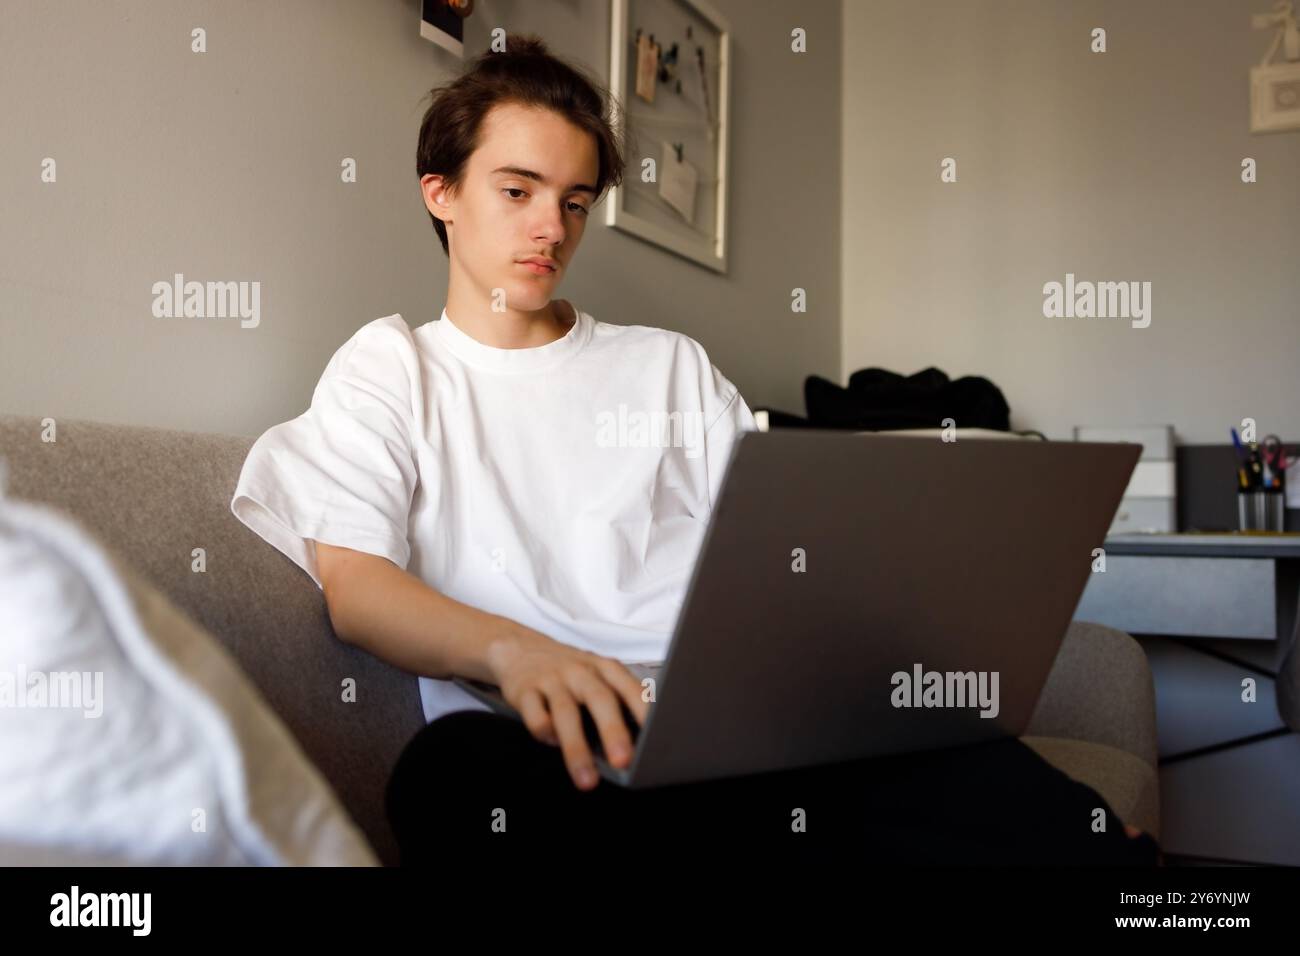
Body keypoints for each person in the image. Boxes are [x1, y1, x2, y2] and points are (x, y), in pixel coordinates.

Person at [230, 35, 1159, 866]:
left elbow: (782, 551)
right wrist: (519, 653)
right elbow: (356, 587)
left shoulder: (666, 367)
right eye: (516, 192)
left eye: (575, 201)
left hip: (736, 727)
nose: (551, 229)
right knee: (447, 775)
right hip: (554, 741)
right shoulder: (392, 367)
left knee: (944, 739)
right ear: (442, 192)